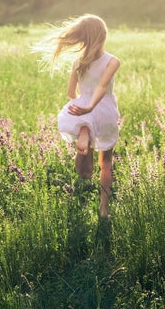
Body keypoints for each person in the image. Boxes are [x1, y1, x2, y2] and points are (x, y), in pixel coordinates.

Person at [42, 14, 120, 218]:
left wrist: (83, 106)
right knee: (107, 162)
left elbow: (70, 93)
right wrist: (92, 107)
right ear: (104, 36)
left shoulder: (78, 62)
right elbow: (102, 87)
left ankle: (84, 130)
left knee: (85, 167)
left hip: (82, 108)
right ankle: (103, 209)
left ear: (82, 38)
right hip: (103, 110)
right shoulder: (112, 61)